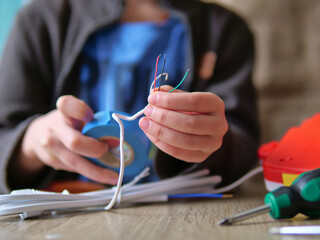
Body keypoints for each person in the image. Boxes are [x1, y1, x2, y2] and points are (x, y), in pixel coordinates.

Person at [0, 0, 259, 193]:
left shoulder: (224, 30)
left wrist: (211, 143)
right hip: (65, 209)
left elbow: (245, 149)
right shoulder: (40, 21)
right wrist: (30, 144)